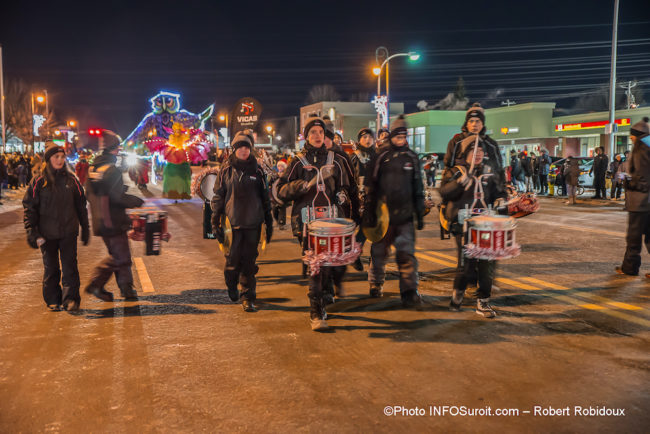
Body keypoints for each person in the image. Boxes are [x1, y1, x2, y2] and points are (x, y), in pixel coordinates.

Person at [277, 116, 353, 331]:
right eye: (313, 133)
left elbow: (345, 188)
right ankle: (315, 311)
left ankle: (326, 293)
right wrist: (301, 185)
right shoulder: (298, 162)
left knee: (330, 265)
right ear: (306, 137)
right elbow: (281, 191)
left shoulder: (335, 159)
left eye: (320, 132)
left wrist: (342, 196)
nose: (317, 136)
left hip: (332, 222)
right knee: (316, 266)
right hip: (307, 224)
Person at [363, 115, 425, 305]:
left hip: (405, 216)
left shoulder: (412, 157)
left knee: (406, 254)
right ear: (392, 136)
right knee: (379, 253)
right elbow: (370, 185)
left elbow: (418, 187)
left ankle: (409, 291)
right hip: (384, 216)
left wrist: (419, 211)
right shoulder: (381, 155)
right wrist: (369, 211)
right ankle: (376, 283)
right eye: (398, 135)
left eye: (404, 136)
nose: (401, 139)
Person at [440, 142, 506, 318]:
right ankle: (458, 293)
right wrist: (460, 182)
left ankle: (483, 302)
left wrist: (501, 199)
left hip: (486, 225)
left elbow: (500, 191)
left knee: (486, 265)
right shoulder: (455, 171)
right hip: (464, 226)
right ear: (466, 153)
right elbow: (444, 192)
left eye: (481, 151)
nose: (478, 154)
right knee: (467, 266)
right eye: (474, 151)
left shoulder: (489, 171)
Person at [22, 143, 89, 311]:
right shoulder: (38, 182)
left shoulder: (72, 180)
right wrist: (32, 231)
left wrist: (85, 227)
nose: (60, 160)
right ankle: (53, 299)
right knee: (51, 268)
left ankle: (70, 299)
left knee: (70, 267)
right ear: (48, 160)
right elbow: (30, 207)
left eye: (62, 157)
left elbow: (81, 205)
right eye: (56, 157)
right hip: (46, 234)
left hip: (68, 232)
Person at [211, 131, 273, 312]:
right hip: (232, 224)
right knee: (232, 263)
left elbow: (265, 198)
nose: (244, 151)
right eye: (240, 148)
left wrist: (268, 223)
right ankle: (231, 285)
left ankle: (248, 297)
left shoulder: (258, 171)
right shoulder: (226, 170)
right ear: (234, 150)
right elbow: (218, 197)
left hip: (253, 224)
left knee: (249, 263)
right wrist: (215, 220)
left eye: (247, 147)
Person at [442, 104, 506, 268]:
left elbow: (498, 171)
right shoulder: (456, 141)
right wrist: (455, 179)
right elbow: (447, 166)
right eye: (472, 121)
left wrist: (502, 194)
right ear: (466, 123)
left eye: (478, 121)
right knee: (462, 241)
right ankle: (464, 273)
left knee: (487, 240)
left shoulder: (490, 144)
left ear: (483, 124)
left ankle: (485, 275)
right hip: (462, 196)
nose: (475, 124)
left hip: (484, 196)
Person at [84, 134, 145, 301]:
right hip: (113, 220)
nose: (119, 150)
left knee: (120, 254)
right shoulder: (112, 170)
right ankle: (96, 283)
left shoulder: (93, 169)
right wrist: (136, 201)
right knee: (121, 257)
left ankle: (126, 289)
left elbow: (92, 193)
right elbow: (116, 197)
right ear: (112, 149)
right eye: (118, 147)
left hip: (100, 220)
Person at [616, 117, 650, 277]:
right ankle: (628, 267)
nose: (631, 138)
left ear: (637, 135)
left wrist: (630, 181)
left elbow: (643, 176)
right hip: (648, 201)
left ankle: (630, 268)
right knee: (649, 237)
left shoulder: (641, 148)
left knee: (634, 237)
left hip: (641, 201)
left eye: (632, 136)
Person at [350, 127, 376, 272]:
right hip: (357, 198)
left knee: (369, 227)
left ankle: (356, 254)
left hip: (374, 198)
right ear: (359, 140)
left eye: (370, 137)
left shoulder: (378, 156)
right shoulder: (354, 157)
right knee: (359, 227)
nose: (367, 140)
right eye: (364, 137)